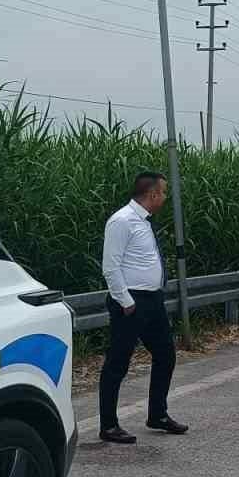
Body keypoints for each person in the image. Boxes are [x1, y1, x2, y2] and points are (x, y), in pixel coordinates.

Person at [98, 171, 188, 444]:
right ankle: (109, 425)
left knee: (165, 354)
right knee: (117, 363)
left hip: (152, 301)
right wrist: (126, 302)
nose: (164, 198)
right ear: (152, 195)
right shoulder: (122, 221)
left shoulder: (143, 221)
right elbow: (110, 267)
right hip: (131, 303)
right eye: (163, 193)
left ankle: (157, 415)